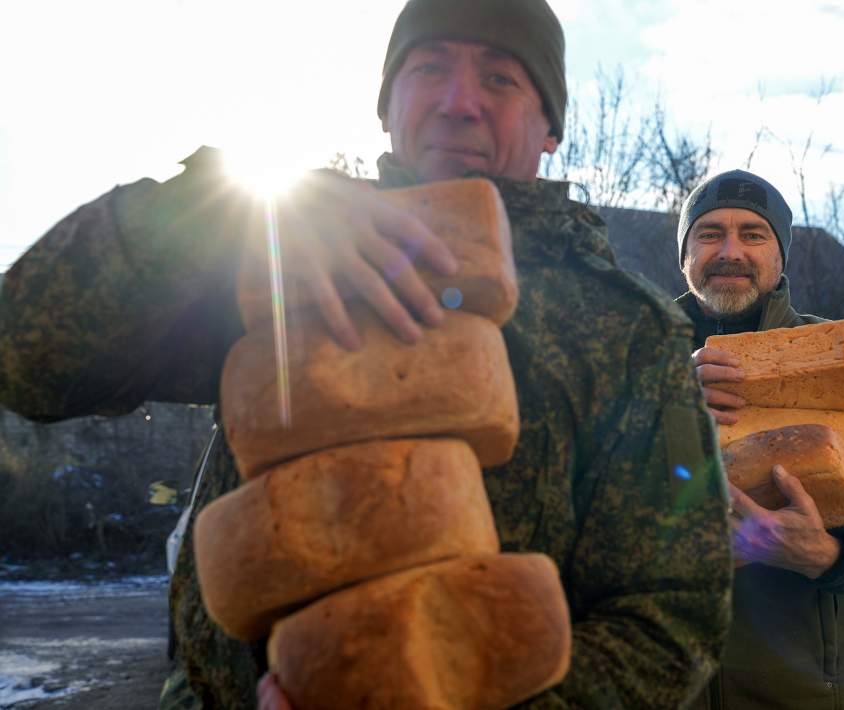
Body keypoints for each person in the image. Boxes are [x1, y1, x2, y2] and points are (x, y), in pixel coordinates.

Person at [0, 0, 732, 707]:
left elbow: (669, 614)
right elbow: (27, 360)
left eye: (500, 77)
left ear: (550, 128)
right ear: (385, 106)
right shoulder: (276, 249)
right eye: (427, 68)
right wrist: (215, 214)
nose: (458, 100)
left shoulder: (625, 329)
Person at [678, 169, 844, 709]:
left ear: (781, 256)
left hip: (810, 689)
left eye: (753, 234)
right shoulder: (634, 362)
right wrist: (665, 409)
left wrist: (829, 554)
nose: (731, 251)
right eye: (710, 233)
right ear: (685, 255)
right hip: (661, 685)